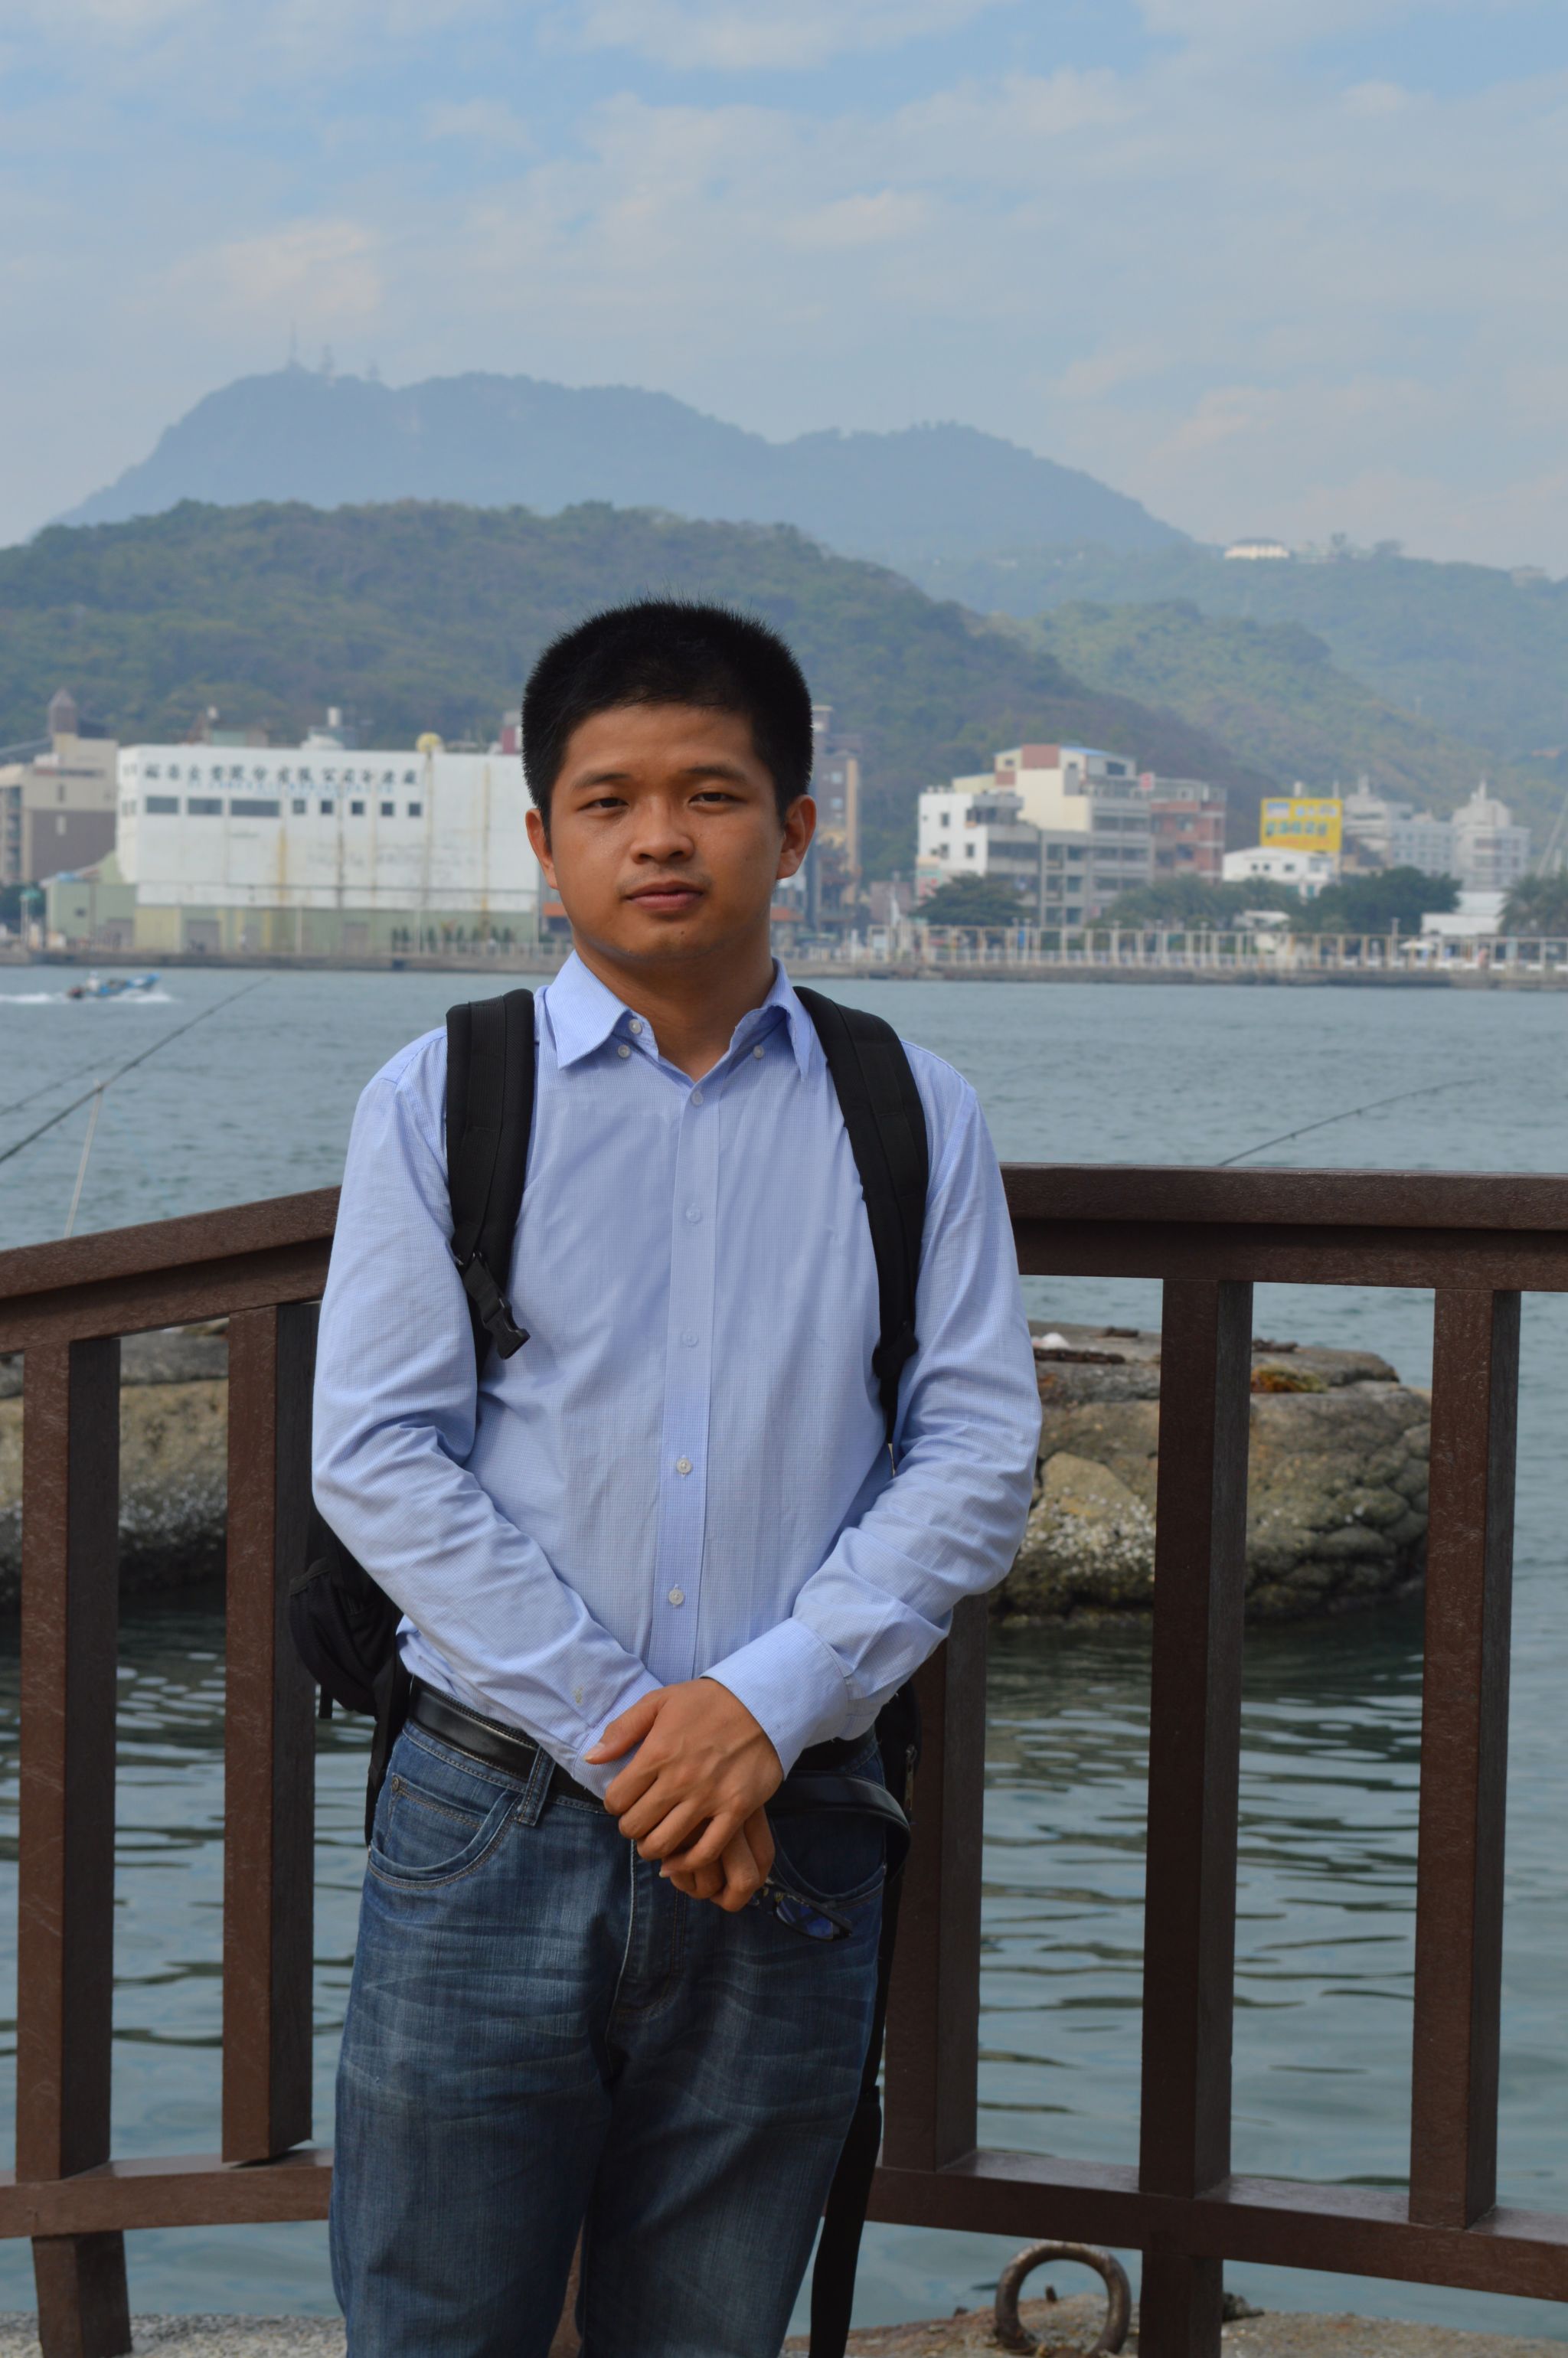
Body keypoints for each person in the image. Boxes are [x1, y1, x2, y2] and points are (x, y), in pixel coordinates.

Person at [313, 599, 1040, 2358]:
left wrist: (764, 1708)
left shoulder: (909, 1107)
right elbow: (377, 1449)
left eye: (710, 794)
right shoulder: (446, 1092)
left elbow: (974, 1444)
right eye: (609, 799)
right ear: (543, 832)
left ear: (795, 829)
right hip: (489, 1808)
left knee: (710, 2327)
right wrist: (645, 1737)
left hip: (794, 1817)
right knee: (433, 2321)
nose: (659, 836)